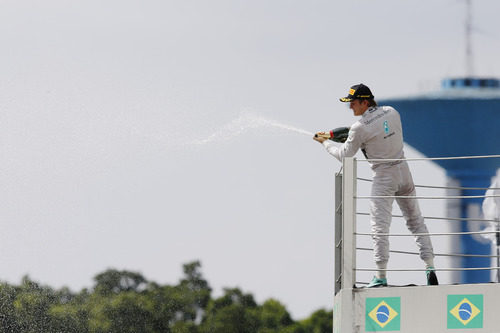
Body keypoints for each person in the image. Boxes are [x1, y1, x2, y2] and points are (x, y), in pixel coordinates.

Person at [314, 83, 438, 287]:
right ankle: (430, 267)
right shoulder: (392, 111)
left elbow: (345, 154)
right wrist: (337, 135)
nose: (350, 107)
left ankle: (380, 276)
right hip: (403, 169)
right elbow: (371, 131)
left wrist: (325, 143)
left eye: (353, 103)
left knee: (379, 228)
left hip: (383, 176)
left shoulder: (359, 127)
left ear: (364, 101)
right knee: (416, 220)